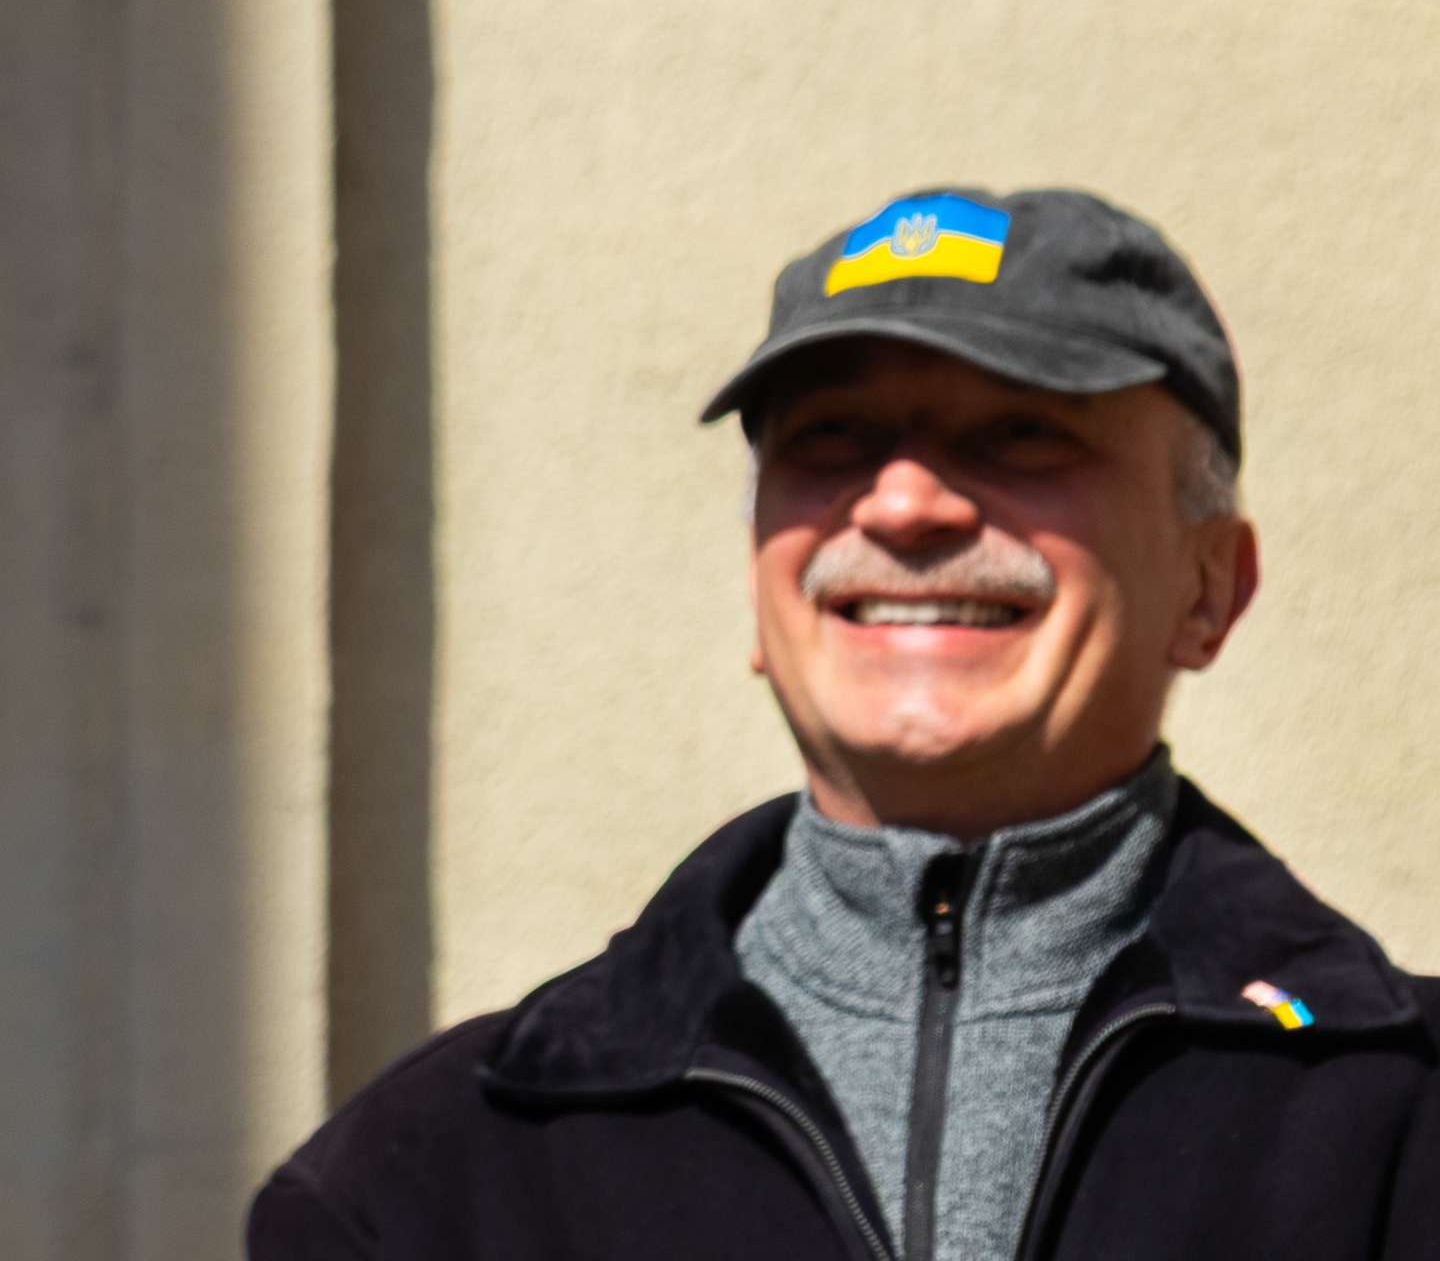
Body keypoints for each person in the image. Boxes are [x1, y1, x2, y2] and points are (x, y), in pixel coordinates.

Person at [251, 186, 1440, 1260]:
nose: (906, 502)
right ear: (766, 593)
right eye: (832, 440)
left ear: (1209, 589)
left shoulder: (1408, 1129)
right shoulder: (425, 1184)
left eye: (1023, 432)